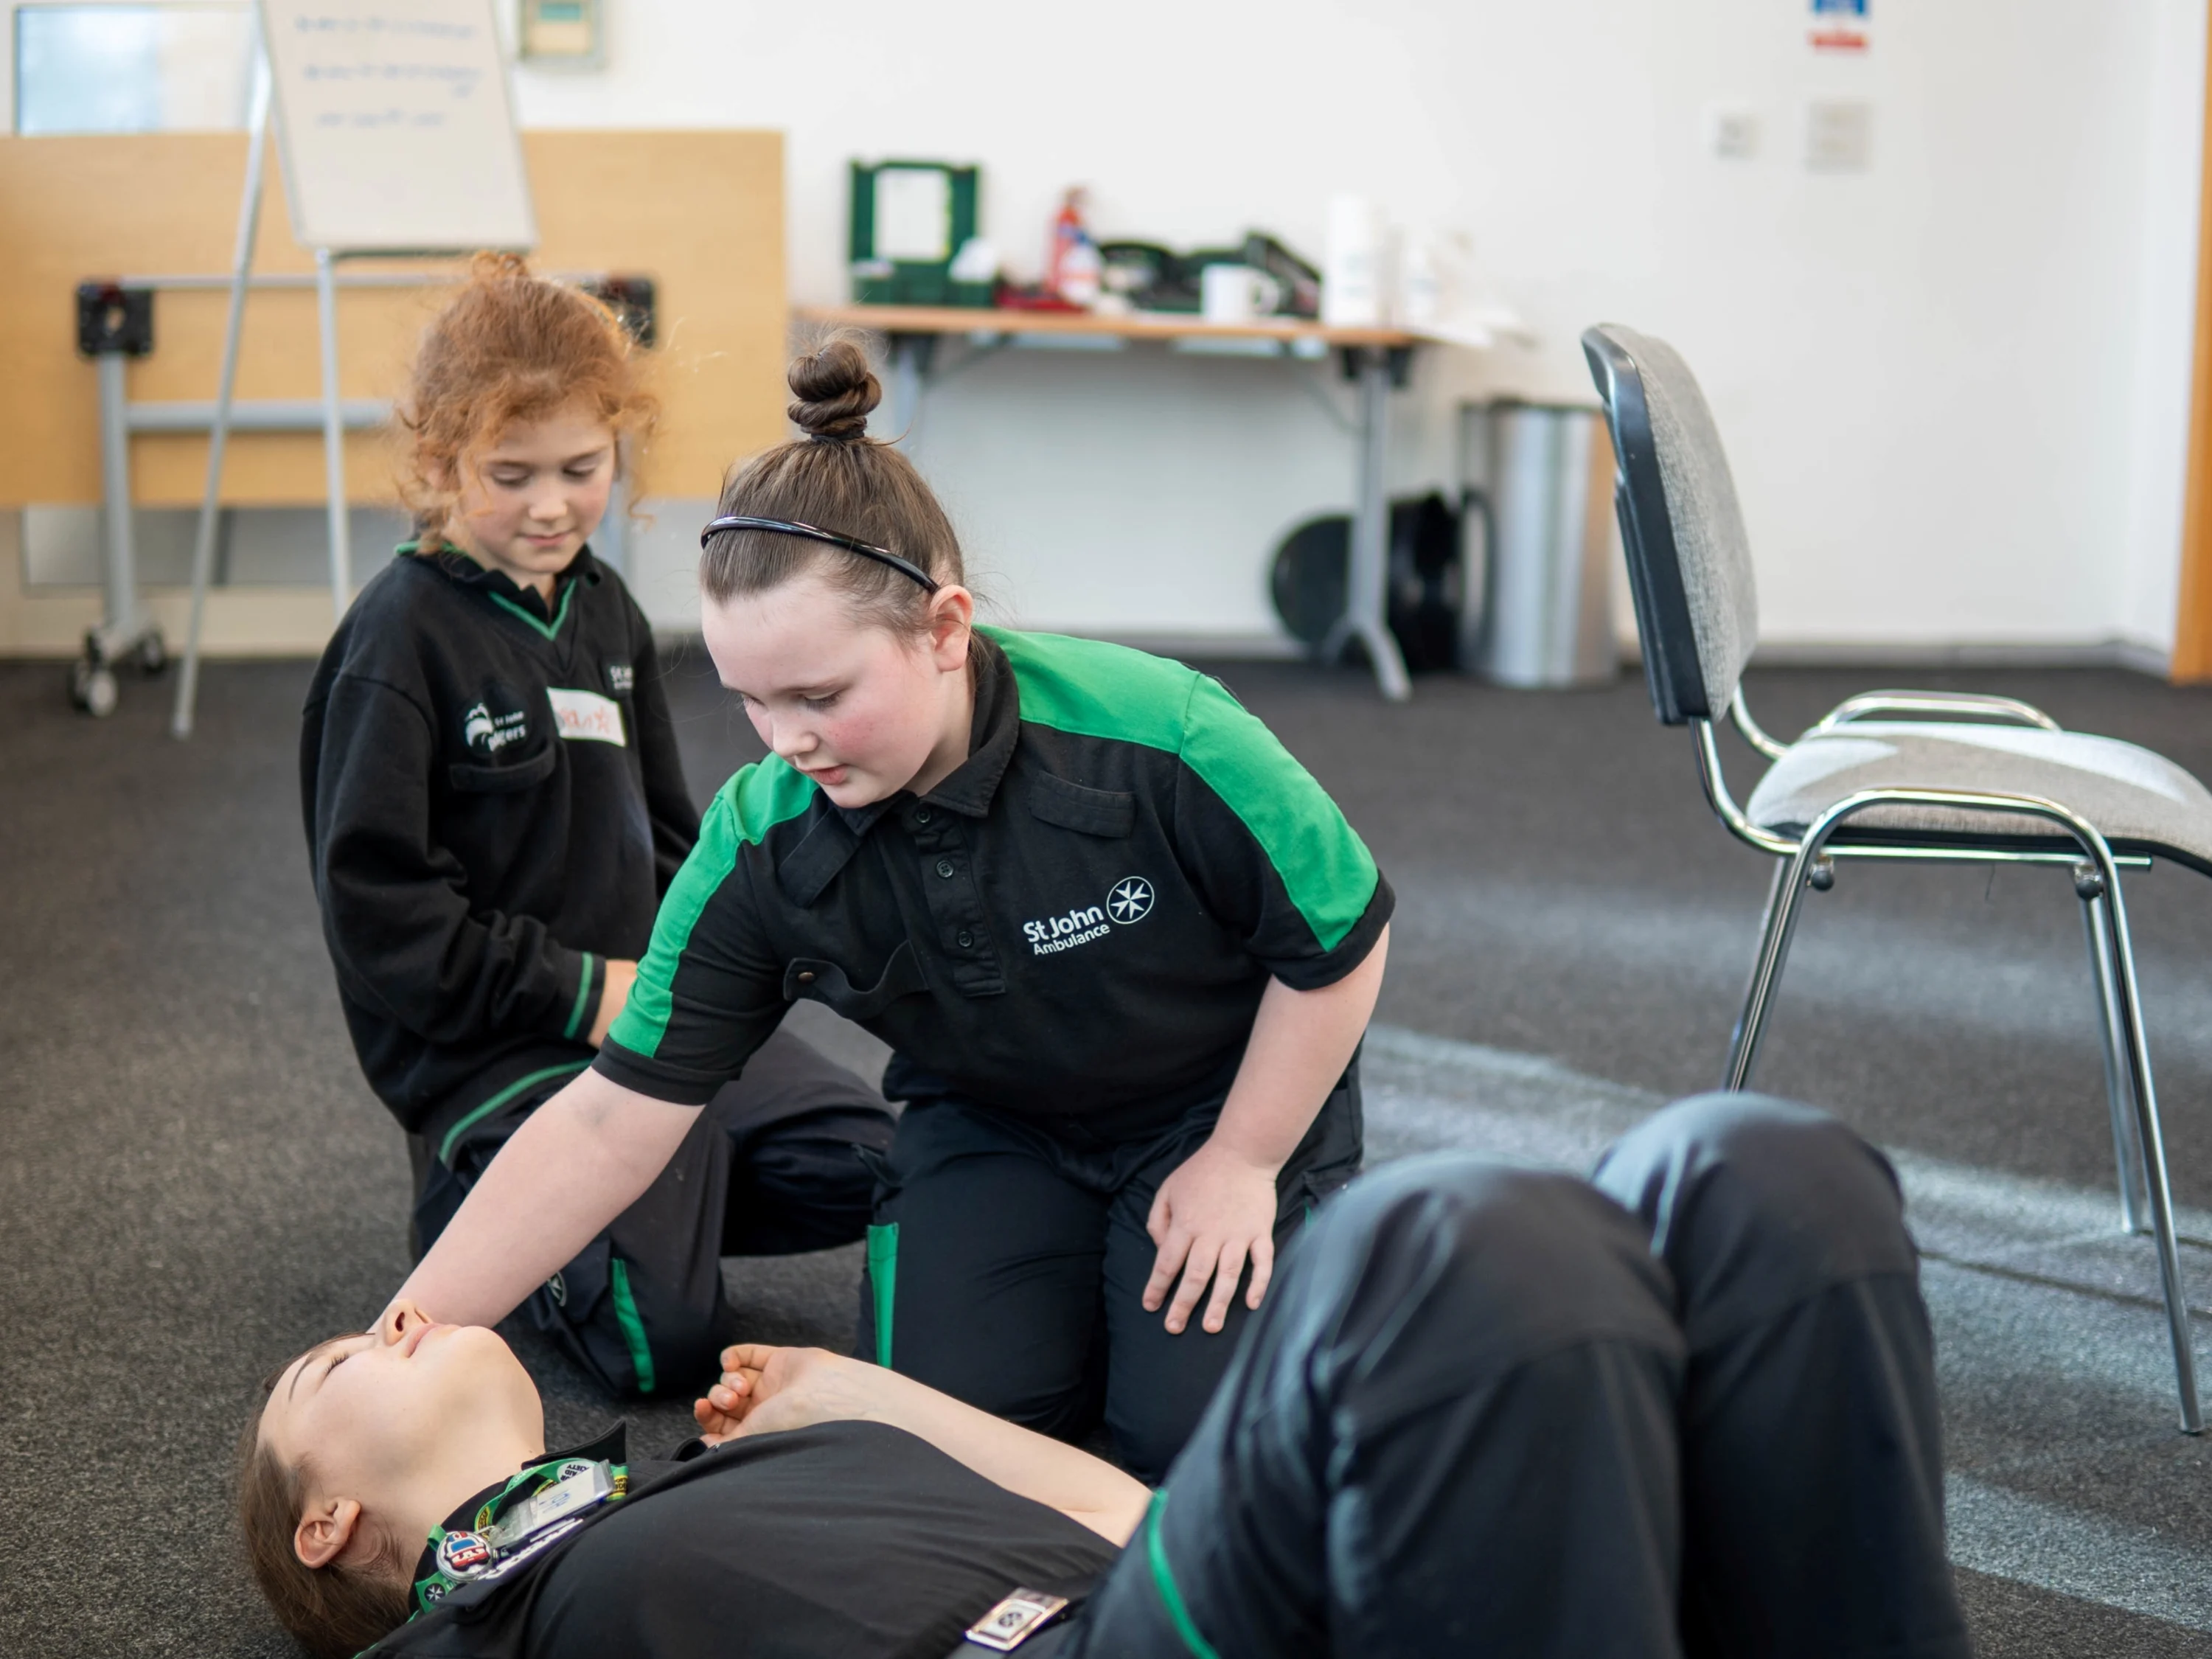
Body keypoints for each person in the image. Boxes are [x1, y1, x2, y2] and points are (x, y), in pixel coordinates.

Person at [382, 335, 1395, 1480]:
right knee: (933, 1445)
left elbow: (1340, 945)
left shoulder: (1163, 733)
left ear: (946, 630)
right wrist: (396, 1343)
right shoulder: (763, 836)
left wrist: (1245, 1159)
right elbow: (614, 1118)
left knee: (1200, 1454)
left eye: (820, 695)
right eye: (752, 701)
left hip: (1216, 1107)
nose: (787, 740)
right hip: (992, 1121)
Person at [240, 1093, 1972, 1659]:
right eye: (341, 1356)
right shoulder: (486, 1628)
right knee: (1442, 1253)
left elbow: (1123, 1508)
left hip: (1170, 1600)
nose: (391, 1322)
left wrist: (874, 1397)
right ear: (330, 1529)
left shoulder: (689, 1475)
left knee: (1755, 1177)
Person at [300, 257, 895, 1400]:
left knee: (880, 1158)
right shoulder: (395, 644)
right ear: (437, 467)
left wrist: (714, 984)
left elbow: (677, 838)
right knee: (659, 1343)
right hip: (498, 1057)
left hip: (650, 1020)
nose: (551, 504)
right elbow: (386, 921)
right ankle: (486, 1193)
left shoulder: (606, 608)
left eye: (581, 469)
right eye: (509, 474)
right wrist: (586, 993)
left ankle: (657, 1174)